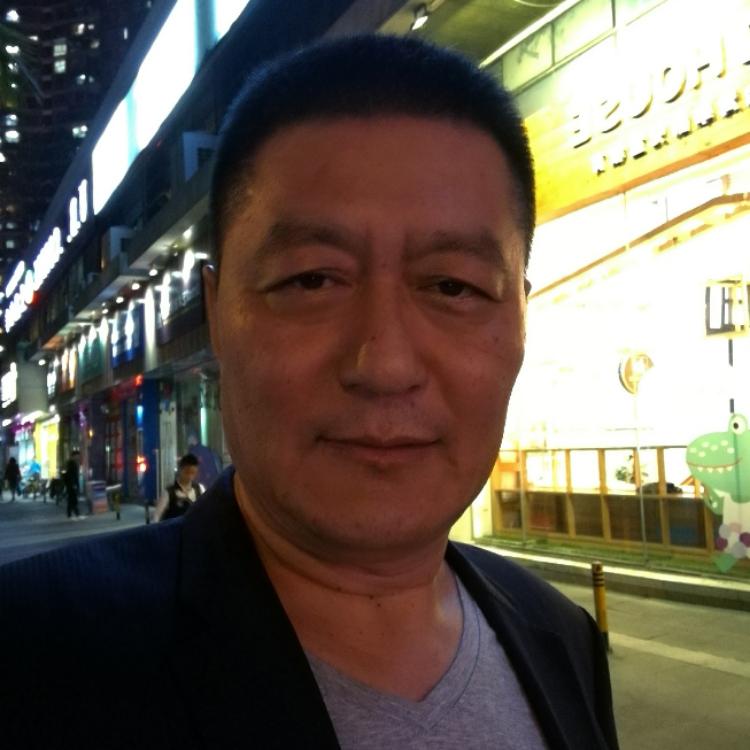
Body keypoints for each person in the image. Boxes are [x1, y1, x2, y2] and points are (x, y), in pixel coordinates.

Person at [0, 35, 619, 748]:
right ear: (217, 314)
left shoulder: (561, 637)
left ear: (519, 322)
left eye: (453, 287)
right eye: (312, 280)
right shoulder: (35, 659)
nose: (384, 365)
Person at [153, 453, 205, 521]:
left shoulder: (200, 489)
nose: (190, 476)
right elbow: (157, 515)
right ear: (180, 469)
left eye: (193, 473)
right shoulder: (169, 492)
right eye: (187, 472)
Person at [62, 449, 81, 519]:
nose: (78, 457)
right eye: (77, 456)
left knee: (71, 499)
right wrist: (74, 484)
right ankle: (76, 513)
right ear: (74, 456)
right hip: (72, 485)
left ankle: (70, 513)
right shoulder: (71, 463)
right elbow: (71, 475)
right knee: (73, 499)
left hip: (71, 484)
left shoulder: (71, 463)